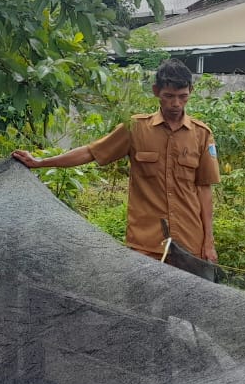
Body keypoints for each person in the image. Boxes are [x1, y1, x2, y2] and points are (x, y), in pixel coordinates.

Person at [12, 59, 220, 262]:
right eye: (169, 96)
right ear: (156, 91)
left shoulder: (201, 135)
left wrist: (208, 242)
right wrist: (41, 162)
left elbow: (204, 190)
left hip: (189, 243)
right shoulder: (135, 128)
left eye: (182, 96)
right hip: (145, 245)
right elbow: (91, 152)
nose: (176, 103)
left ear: (191, 91)